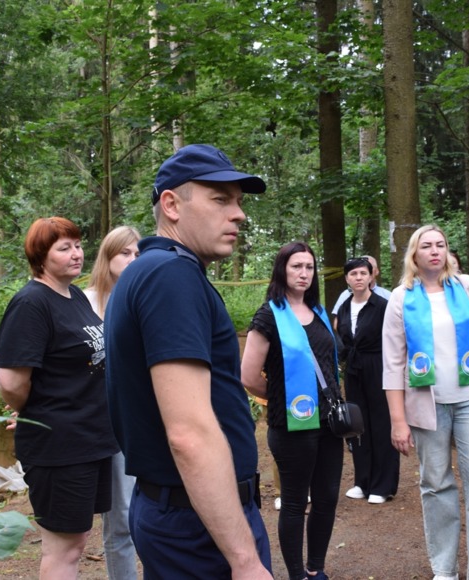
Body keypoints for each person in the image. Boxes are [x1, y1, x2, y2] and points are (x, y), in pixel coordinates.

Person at [104, 144, 272, 579]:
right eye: (220, 199)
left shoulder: (148, 271)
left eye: (239, 201)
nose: (239, 214)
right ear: (172, 205)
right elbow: (189, 434)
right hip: (197, 525)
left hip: (180, 512)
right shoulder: (170, 276)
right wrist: (245, 561)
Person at [382, 225, 469, 580]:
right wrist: (398, 421)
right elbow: (393, 363)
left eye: (440, 245)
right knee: (436, 486)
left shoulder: (468, 286)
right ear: (414, 254)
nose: (434, 251)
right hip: (427, 404)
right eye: (426, 246)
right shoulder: (400, 297)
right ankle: (444, 569)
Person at [0, 217, 119, 579]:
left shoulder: (75, 296)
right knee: (63, 547)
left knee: (77, 541)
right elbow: (11, 382)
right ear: (40, 256)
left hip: (90, 440)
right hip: (59, 446)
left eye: (78, 245)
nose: (76, 254)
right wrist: (35, 411)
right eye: (64, 248)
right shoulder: (31, 303)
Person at [241, 241, 342, 580]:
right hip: (292, 427)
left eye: (309, 267)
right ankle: (297, 574)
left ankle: (316, 568)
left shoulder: (320, 312)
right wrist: (284, 399)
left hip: (329, 424)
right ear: (282, 270)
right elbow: (248, 376)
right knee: (296, 502)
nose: (304, 273)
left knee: (326, 498)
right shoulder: (269, 315)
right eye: (296, 266)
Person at [83, 225, 141, 580]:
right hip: (96, 423)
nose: (133, 260)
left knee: (144, 511)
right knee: (119, 517)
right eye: (125, 253)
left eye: (138, 254)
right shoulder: (83, 302)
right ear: (107, 256)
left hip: (138, 420)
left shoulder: (141, 298)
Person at [335, 258, 399, 503]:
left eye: (363, 273)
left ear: (372, 276)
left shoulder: (383, 306)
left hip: (379, 366)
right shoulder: (344, 307)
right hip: (354, 369)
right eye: (353, 274)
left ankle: (382, 486)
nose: (359, 278)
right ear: (347, 279)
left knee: (381, 424)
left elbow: (394, 339)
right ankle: (362, 481)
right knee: (357, 423)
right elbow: (342, 338)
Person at [330, 254, 391, 322]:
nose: (359, 277)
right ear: (346, 278)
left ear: (376, 271)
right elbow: (337, 322)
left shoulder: (387, 296)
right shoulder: (345, 295)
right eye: (354, 273)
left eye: (363, 272)